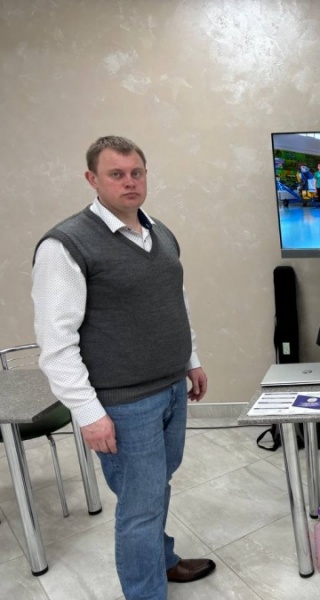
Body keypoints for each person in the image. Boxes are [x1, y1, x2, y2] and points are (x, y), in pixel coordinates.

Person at [31, 136, 214, 600]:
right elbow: (56, 344)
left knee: (155, 488)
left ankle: (163, 561)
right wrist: (88, 414)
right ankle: (145, 592)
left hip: (171, 388)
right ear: (92, 179)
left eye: (137, 173)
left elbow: (175, 301)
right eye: (116, 174)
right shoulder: (66, 245)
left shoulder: (160, 232)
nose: (129, 182)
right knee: (139, 507)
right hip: (124, 403)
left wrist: (190, 360)